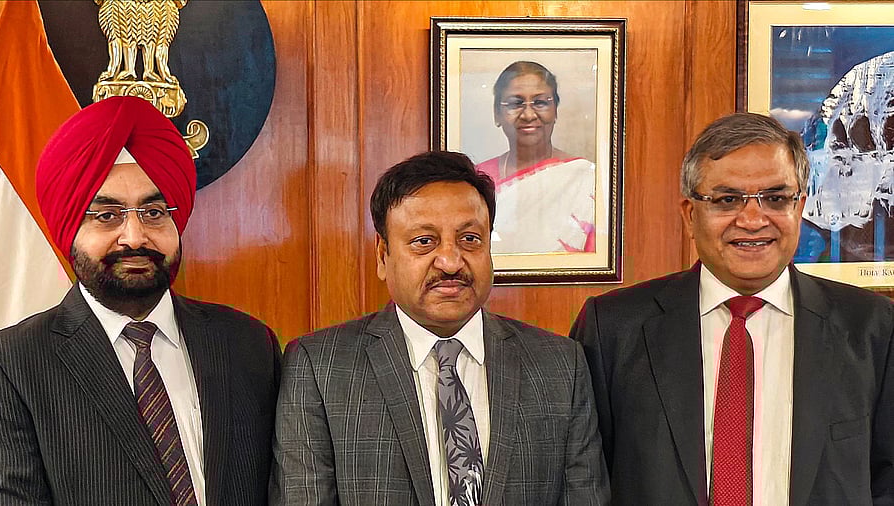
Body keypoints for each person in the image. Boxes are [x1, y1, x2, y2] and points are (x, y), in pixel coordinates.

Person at [570, 112, 894, 504]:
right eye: (727, 200)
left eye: (775, 198)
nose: (753, 219)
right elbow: (584, 482)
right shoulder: (613, 328)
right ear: (691, 215)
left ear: (800, 207)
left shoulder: (872, 327)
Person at [270, 150, 609, 505]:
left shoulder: (559, 365)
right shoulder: (320, 367)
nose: (450, 262)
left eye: (470, 239)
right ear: (382, 255)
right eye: (424, 241)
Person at [0, 96, 281, 505]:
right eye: (107, 216)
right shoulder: (11, 362)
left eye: (154, 212)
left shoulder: (249, 343)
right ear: (70, 227)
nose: (134, 237)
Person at [477, 61, 596, 254]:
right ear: (497, 114)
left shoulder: (587, 179)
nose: (528, 115)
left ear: (555, 110)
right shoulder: (476, 179)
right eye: (516, 103)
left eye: (540, 102)